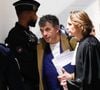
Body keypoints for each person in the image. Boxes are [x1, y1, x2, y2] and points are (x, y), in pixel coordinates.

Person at [59, 10, 100, 90]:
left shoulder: (89, 44)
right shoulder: (83, 43)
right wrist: (71, 77)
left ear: (80, 25)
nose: (67, 27)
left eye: (70, 24)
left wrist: (68, 85)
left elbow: (90, 79)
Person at [5, 0, 40, 90]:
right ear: (26, 14)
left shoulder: (29, 34)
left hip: (34, 83)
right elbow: (24, 65)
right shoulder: (15, 35)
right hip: (25, 85)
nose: (36, 17)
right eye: (34, 13)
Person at [37, 14, 77, 90]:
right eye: (42, 31)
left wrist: (72, 76)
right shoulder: (40, 47)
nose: (44, 34)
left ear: (57, 28)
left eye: (47, 29)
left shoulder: (71, 41)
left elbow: (85, 69)